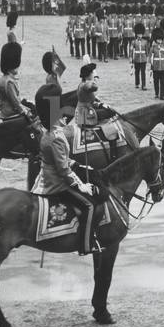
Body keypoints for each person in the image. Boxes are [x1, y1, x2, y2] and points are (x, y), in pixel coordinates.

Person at [31, 83, 108, 256]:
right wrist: (81, 186)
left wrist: (79, 166)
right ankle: (86, 245)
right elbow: (63, 171)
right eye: (59, 110)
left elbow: (62, 160)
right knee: (89, 205)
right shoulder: (56, 137)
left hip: (48, 175)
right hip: (56, 183)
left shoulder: (49, 132)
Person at [0, 42, 28, 119]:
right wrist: (25, 111)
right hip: (10, 114)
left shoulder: (3, 78)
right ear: (13, 64)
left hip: (4, 110)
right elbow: (15, 102)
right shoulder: (9, 82)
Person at [131, 23, 148, 90]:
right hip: (136, 58)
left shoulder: (145, 42)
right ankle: (137, 83)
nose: (139, 35)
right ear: (136, 34)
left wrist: (147, 58)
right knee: (137, 71)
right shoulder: (134, 42)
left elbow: (147, 50)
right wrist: (131, 58)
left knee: (143, 72)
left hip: (143, 59)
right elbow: (131, 50)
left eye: (140, 34)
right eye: (138, 34)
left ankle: (144, 85)